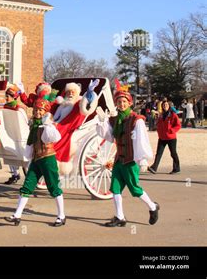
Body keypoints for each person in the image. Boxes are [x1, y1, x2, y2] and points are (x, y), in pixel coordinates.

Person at [96, 83, 160, 227]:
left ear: (129, 102)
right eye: (119, 102)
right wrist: (102, 122)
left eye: (124, 101)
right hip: (119, 159)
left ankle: (153, 206)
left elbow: (141, 140)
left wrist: (143, 159)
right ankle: (120, 217)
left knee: (135, 189)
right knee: (115, 188)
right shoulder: (115, 119)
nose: (121, 104)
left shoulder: (136, 120)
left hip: (130, 160)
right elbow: (110, 137)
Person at [4, 98, 66, 227]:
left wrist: (47, 124)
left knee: (53, 187)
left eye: (40, 110)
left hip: (48, 159)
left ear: (45, 112)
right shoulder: (34, 125)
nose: (37, 112)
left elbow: (54, 138)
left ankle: (61, 216)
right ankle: (17, 215)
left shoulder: (48, 124)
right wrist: (27, 157)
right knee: (27, 186)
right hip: (36, 159)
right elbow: (31, 142)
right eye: (36, 110)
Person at [49, 80, 99, 174]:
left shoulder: (78, 103)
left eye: (73, 92)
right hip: (57, 124)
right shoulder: (62, 104)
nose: (70, 94)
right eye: (68, 92)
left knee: (54, 133)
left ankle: (55, 159)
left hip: (68, 126)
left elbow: (86, 105)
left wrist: (89, 93)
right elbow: (54, 115)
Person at [148, 100, 181, 174]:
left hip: (171, 137)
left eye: (166, 105)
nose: (165, 106)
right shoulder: (161, 115)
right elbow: (159, 124)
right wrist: (157, 129)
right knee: (158, 153)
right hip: (162, 137)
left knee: (173, 153)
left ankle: (176, 168)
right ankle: (154, 168)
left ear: (169, 106)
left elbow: (178, 125)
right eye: (163, 105)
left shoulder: (173, 115)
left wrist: (172, 130)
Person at [3, 84, 24, 185]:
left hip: (17, 134)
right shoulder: (5, 107)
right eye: (6, 96)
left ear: (13, 97)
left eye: (8, 96)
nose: (6, 98)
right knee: (9, 154)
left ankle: (16, 174)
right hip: (9, 132)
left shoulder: (18, 109)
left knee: (13, 154)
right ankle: (15, 174)